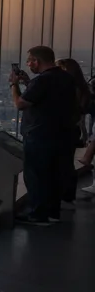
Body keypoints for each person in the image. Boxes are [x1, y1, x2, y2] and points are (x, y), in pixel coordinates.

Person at [9, 45, 76, 224]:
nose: (28, 64)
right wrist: (28, 83)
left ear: (37, 61)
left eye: (30, 60)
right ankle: (52, 213)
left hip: (39, 134)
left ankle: (37, 214)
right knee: (53, 175)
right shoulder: (65, 78)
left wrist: (14, 84)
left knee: (36, 176)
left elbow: (20, 103)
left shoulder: (42, 81)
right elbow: (48, 97)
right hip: (60, 133)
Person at [57, 59, 91, 202]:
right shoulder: (83, 87)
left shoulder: (71, 88)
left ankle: (63, 195)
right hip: (76, 129)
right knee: (67, 164)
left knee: (62, 165)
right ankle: (67, 196)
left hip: (67, 128)